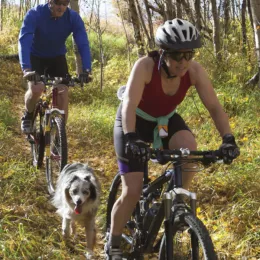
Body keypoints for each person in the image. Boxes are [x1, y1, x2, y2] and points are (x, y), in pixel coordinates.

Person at [106, 18, 240, 259]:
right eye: (178, 56)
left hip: (164, 121)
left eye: (188, 55)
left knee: (189, 150)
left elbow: (215, 107)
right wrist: (131, 137)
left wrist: (228, 138)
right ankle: (113, 243)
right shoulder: (145, 66)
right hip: (133, 121)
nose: (184, 62)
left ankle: (175, 208)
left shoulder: (195, 71)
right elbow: (129, 105)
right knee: (133, 190)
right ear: (163, 53)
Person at [18, 0, 92, 134]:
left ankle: (59, 136)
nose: (61, 7)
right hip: (36, 56)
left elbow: (83, 43)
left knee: (62, 91)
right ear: (49, 2)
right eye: (58, 3)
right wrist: (26, 68)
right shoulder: (35, 14)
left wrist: (86, 70)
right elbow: (24, 40)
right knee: (36, 89)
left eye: (65, 3)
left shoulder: (73, 17)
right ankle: (28, 114)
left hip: (57, 57)